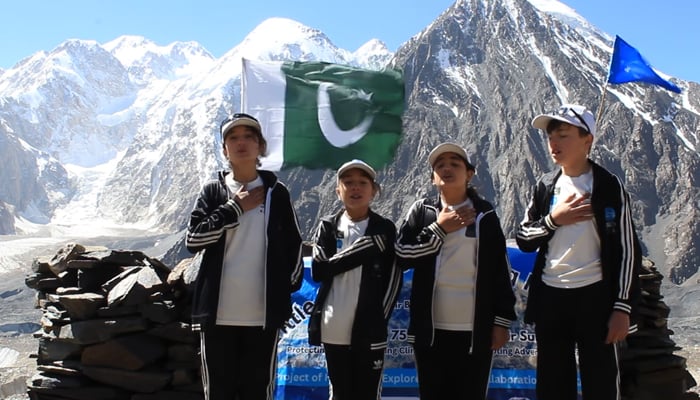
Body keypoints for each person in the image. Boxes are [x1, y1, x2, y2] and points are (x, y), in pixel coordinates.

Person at [516, 104, 641, 400]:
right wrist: (553, 221)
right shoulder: (545, 186)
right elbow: (523, 237)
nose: (554, 144)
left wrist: (622, 307)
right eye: (550, 137)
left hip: (594, 299)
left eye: (563, 135)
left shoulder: (609, 186)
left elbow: (627, 249)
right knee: (552, 384)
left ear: (588, 140)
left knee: (601, 384)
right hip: (551, 298)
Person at [185, 112, 304, 400]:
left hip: (262, 316)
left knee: (258, 391)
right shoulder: (214, 191)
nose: (241, 143)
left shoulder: (278, 193)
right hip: (217, 315)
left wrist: (280, 291)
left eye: (248, 137)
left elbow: (294, 247)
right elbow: (193, 239)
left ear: (260, 146)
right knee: (218, 392)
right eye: (233, 138)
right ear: (225, 149)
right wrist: (234, 208)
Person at [395, 143, 517, 400]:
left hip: (475, 332)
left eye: (455, 163)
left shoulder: (486, 215)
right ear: (432, 177)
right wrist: (439, 229)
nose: (447, 168)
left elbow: (500, 271)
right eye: (440, 165)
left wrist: (502, 321)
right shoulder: (422, 211)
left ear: (469, 173)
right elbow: (401, 255)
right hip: (430, 332)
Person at [308, 159, 402, 400]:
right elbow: (319, 270)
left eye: (362, 183)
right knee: (339, 393)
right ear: (338, 190)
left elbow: (394, 280)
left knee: (368, 394)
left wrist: (378, 318)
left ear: (374, 190)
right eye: (348, 183)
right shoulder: (327, 227)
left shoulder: (385, 229)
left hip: (370, 330)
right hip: (333, 327)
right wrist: (366, 248)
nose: (355, 188)